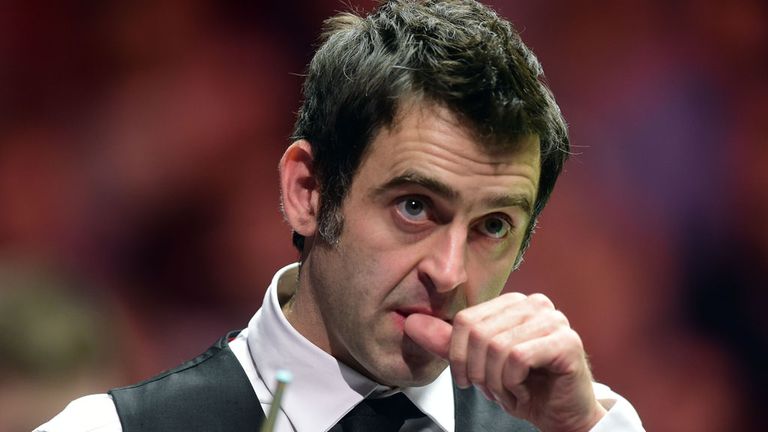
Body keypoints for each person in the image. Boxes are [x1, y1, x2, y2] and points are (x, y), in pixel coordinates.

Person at [36, 1, 644, 431]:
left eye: (492, 226)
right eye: (414, 207)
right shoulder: (109, 430)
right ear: (307, 191)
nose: (451, 272)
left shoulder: (580, 426)